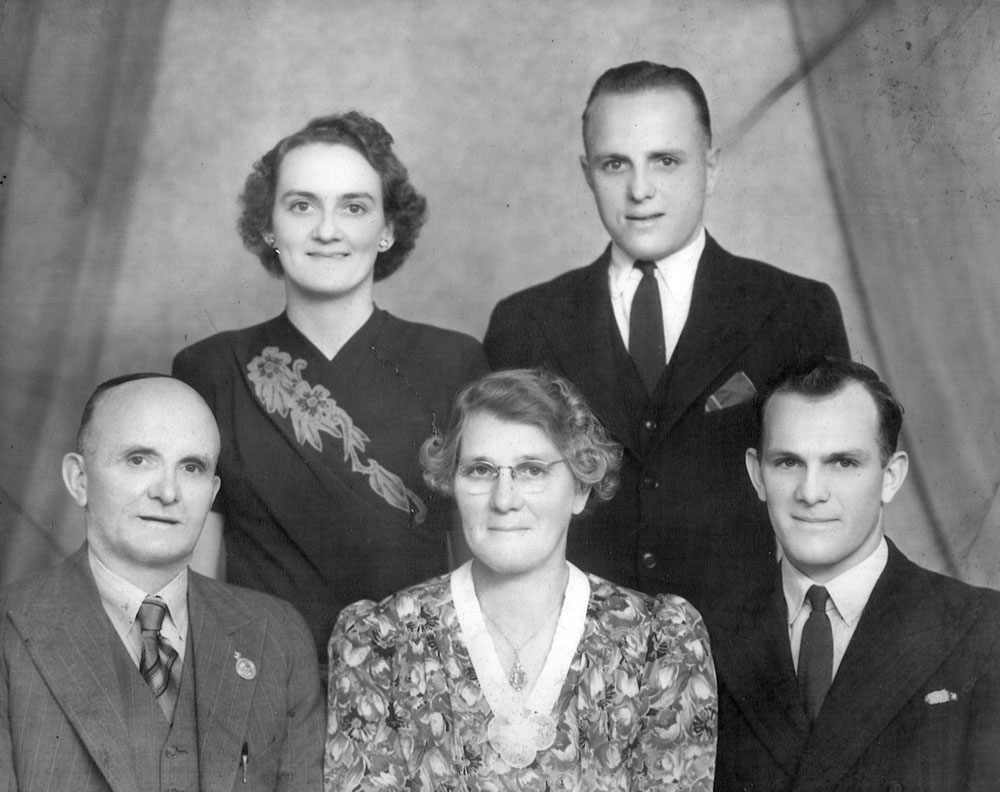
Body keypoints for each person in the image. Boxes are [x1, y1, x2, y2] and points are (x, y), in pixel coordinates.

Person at [483, 61, 850, 614]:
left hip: (745, 657)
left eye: (666, 161)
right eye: (615, 164)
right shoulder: (524, 323)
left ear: (712, 166)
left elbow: (837, 501)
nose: (640, 190)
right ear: (588, 173)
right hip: (571, 659)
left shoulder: (796, 309)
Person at [173, 112, 486, 660]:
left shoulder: (454, 361)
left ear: (387, 229)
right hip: (263, 684)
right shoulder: (210, 369)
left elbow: (477, 560)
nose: (327, 230)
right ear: (268, 226)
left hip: (420, 689)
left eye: (354, 207)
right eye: (301, 205)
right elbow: (198, 583)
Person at [325, 369, 717, 791]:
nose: (504, 499)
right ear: (450, 482)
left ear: (582, 486)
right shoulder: (378, 643)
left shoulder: (659, 642)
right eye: (480, 470)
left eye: (531, 470)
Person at [0, 374, 323, 792]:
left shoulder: (278, 635)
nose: (168, 491)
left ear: (211, 493)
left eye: (192, 467)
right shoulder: (8, 633)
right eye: (139, 459)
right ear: (79, 480)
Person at [709, 357, 1000, 790]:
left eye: (842, 463)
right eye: (788, 462)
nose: (811, 493)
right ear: (757, 475)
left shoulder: (983, 629)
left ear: (890, 477)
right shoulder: (704, 635)